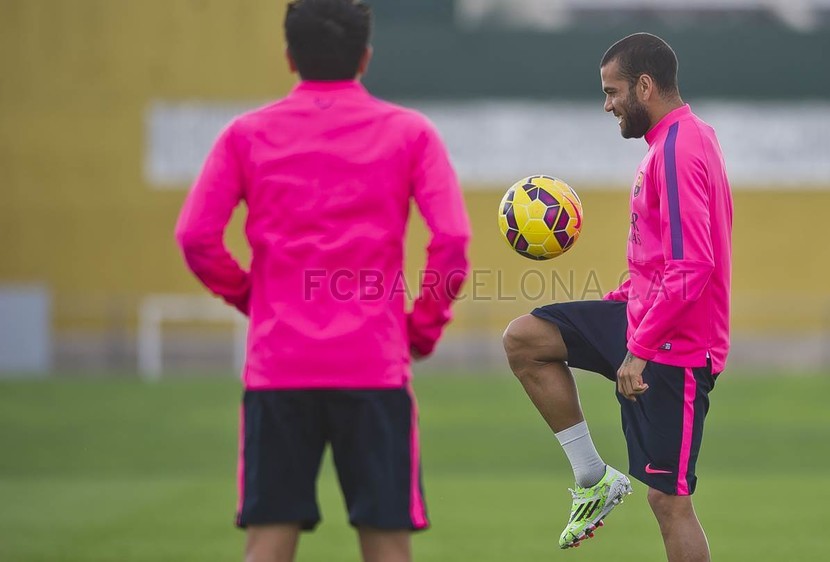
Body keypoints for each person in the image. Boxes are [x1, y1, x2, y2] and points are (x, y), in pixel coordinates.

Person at [175, 1, 471, 561]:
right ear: (365, 56)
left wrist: (252, 297)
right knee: (387, 546)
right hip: (374, 365)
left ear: (290, 56)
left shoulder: (246, 135)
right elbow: (452, 241)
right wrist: (423, 328)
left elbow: (196, 238)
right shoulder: (411, 133)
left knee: (267, 543)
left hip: (279, 366)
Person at [503, 32, 732, 560]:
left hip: (678, 344)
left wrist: (639, 349)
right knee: (527, 339)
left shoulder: (677, 150)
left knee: (669, 502)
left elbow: (693, 265)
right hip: (645, 317)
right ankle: (592, 477)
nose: (607, 105)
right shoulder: (682, 139)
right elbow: (660, 254)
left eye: (612, 92)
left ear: (645, 86)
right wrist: (624, 297)